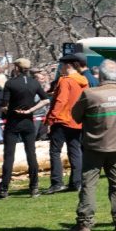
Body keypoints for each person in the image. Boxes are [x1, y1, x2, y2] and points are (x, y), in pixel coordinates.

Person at [70, 60, 116, 231]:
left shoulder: (90, 94)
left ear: (101, 75)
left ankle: (85, 224)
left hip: (94, 146)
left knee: (89, 185)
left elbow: (75, 116)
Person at [0, 58, 48, 198]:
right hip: (28, 122)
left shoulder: (11, 83)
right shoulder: (34, 82)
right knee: (31, 154)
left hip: (13, 123)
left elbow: (4, 105)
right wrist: (31, 110)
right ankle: (34, 188)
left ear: (17, 68)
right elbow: (46, 99)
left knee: (9, 156)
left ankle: (4, 189)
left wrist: (11, 110)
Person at [44, 53, 90, 194]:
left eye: (62, 65)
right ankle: (76, 182)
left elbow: (61, 101)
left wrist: (51, 119)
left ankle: (57, 182)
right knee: (75, 151)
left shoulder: (65, 80)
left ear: (68, 65)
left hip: (61, 120)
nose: (60, 68)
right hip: (77, 121)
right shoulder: (84, 80)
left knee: (55, 152)